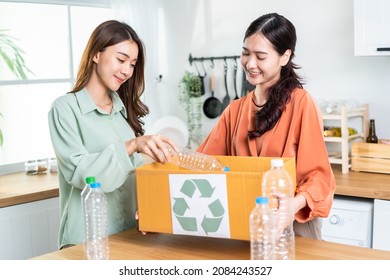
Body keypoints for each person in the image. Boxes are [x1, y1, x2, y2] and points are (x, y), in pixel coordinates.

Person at [197, 13, 335, 239]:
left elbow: (319, 177)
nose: (250, 64)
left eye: (260, 56)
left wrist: (292, 205)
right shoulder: (234, 110)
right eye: (245, 53)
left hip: (293, 225)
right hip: (247, 223)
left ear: (284, 57)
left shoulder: (301, 103)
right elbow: (204, 164)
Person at [48, 20, 176, 249]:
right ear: (96, 54)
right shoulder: (64, 109)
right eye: (121, 59)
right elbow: (83, 174)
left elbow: (132, 173)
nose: (127, 70)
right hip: (85, 242)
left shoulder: (121, 109)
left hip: (128, 235)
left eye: (133, 64)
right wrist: (132, 145)